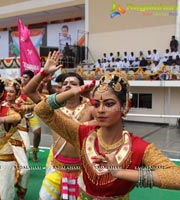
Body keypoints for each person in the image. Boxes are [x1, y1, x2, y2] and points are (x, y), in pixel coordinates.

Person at [34, 61, 180, 198]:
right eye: (96, 104)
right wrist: (75, 91)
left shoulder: (139, 148)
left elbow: (176, 177)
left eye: (109, 104)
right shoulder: (81, 134)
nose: (101, 110)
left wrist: (121, 172)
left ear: (124, 108)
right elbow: (42, 110)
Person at [23, 51, 95, 200]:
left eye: (74, 84)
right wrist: (43, 73)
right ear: (60, 89)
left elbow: (107, 118)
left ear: (82, 88)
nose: (69, 85)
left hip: (82, 170)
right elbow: (28, 91)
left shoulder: (90, 108)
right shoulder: (52, 105)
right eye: (65, 84)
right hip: (57, 168)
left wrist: (92, 97)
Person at [4, 78, 33, 200]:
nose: (9, 94)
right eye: (7, 91)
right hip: (1, 144)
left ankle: (21, 191)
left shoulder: (22, 106)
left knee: (25, 170)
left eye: (12, 92)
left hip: (16, 140)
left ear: (17, 94)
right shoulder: (0, 106)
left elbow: (38, 105)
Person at [21, 70, 42, 162]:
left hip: (32, 113)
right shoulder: (18, 87)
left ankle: (34, 152)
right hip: (20, 114)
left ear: (31, 79)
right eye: (23, 77)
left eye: (26, 77)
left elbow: (39, 100)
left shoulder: (35, 88)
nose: (24, 79)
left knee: (37, 133)